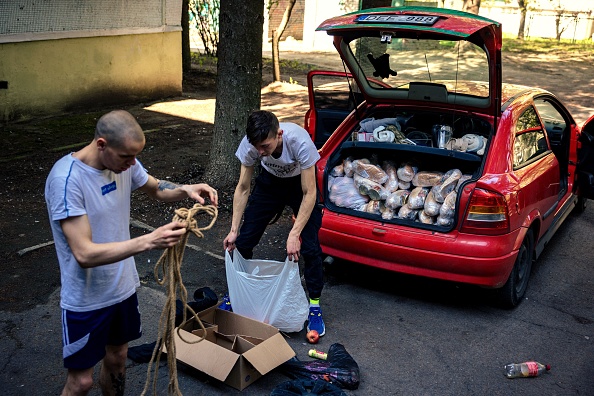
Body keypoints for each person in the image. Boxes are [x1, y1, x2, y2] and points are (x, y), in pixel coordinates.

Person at [44, 110, 218, 396]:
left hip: (122, 289)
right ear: (102, 144)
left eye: (135, 156)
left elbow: (156, 189)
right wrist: (149, 241)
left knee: (117, 359)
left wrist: (186, 190)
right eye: (127, 157)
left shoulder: (123, 163)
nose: (133, 164)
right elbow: (84, 253)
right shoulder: (66, 181)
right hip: (86, 300)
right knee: (81, 382)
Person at [223, 110, 325, 336]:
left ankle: (315, 306)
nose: (260, 152)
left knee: (310, 248)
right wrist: (232, 230)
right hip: (270, 184)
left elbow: (309, 193)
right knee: (244, 240)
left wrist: (293, 233)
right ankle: (235, 295)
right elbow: (243, 188)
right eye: (257, 147)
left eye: (265, 147)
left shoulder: (299, 141)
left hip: (299, 186)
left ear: (279, 134)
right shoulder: (251, 145)